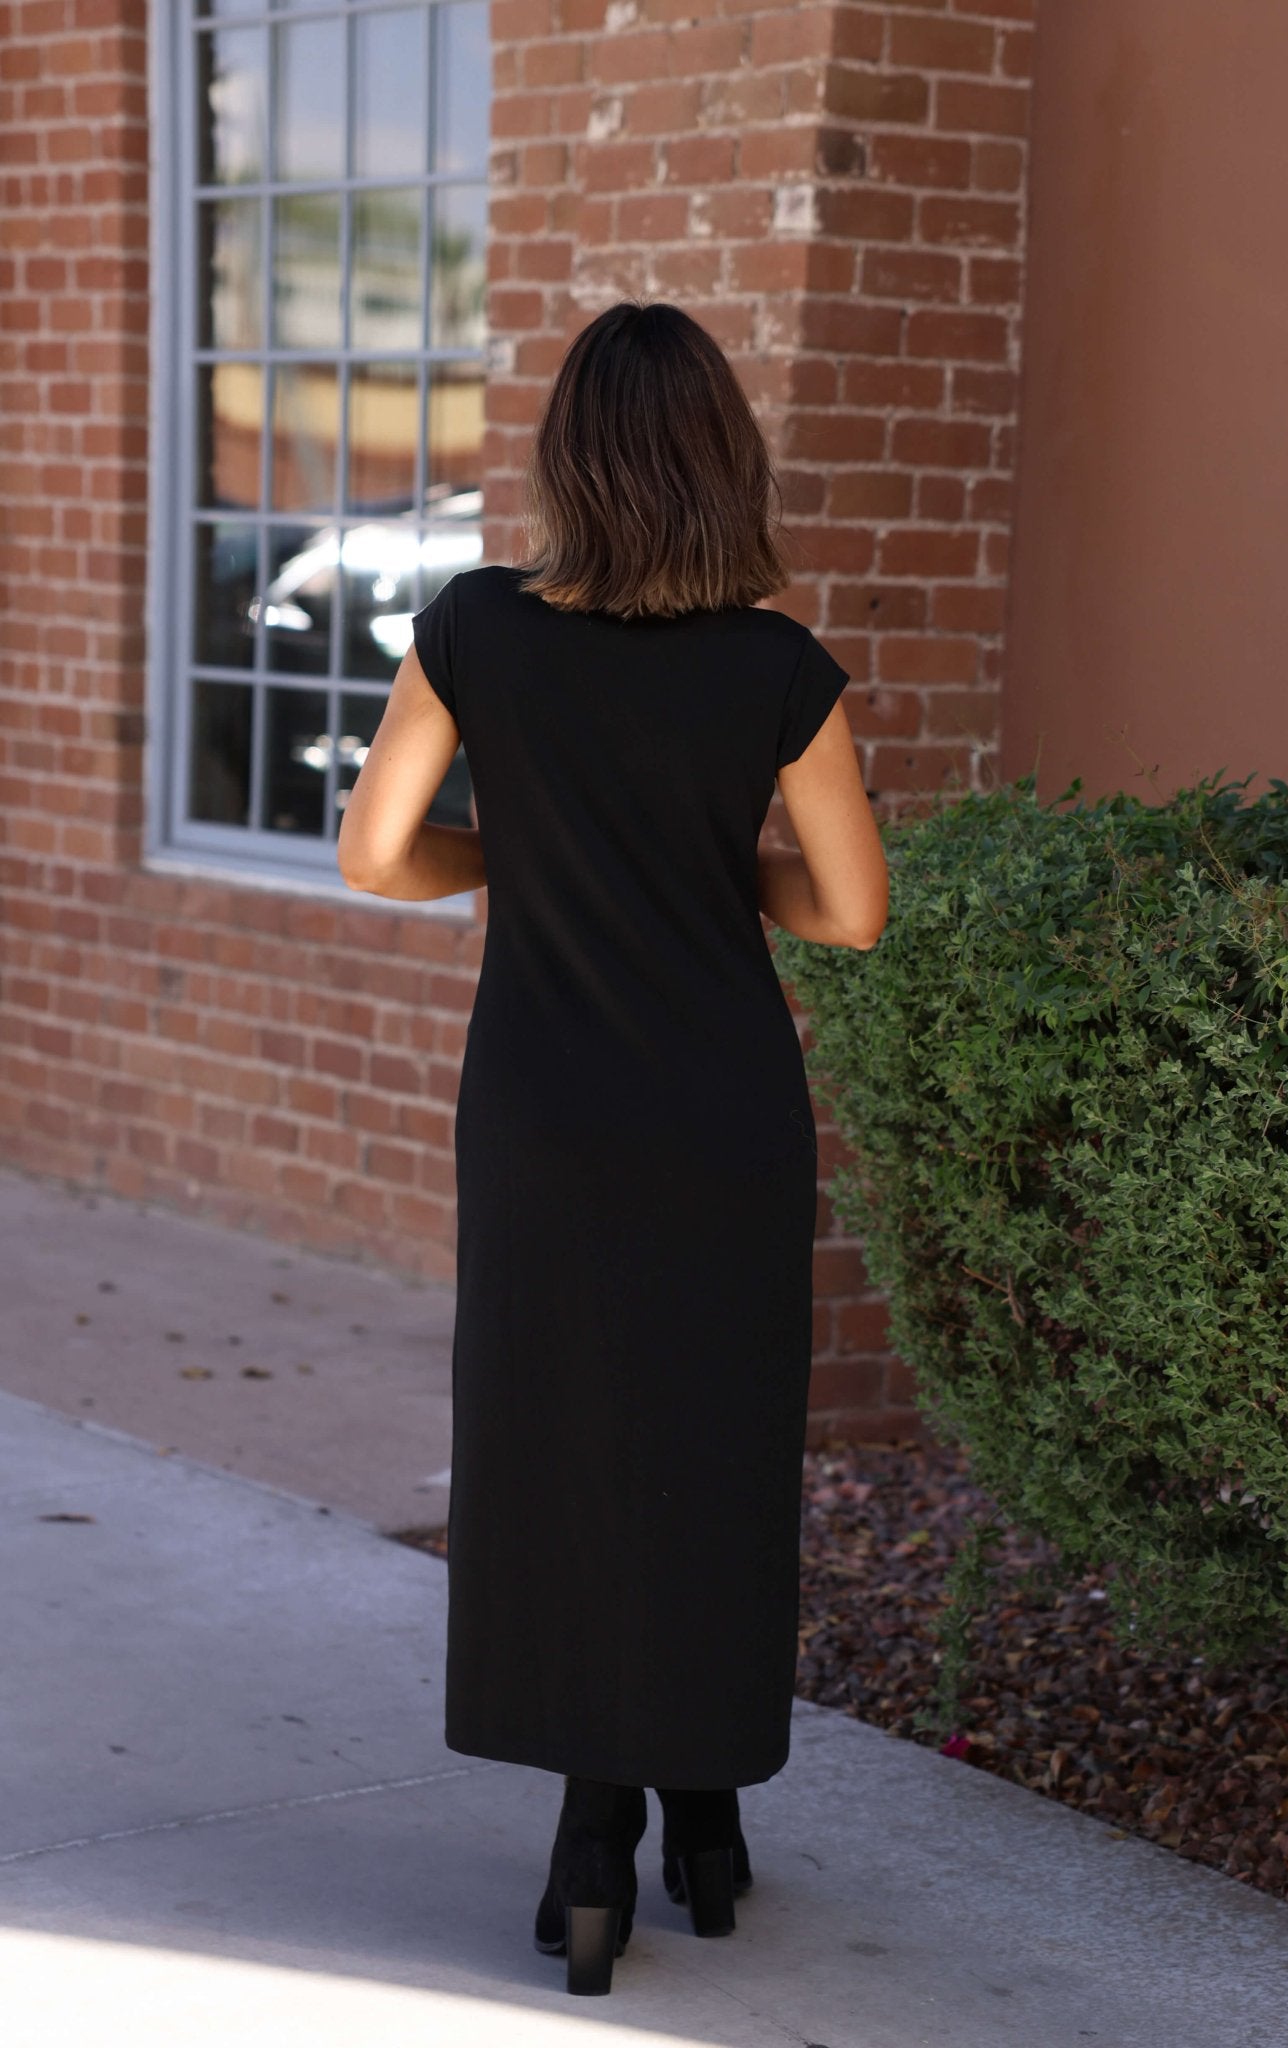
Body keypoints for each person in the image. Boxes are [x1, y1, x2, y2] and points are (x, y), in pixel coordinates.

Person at [337, 298, 888, 1996]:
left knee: (557, 1442)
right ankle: (705, 1829)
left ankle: (591, 1845)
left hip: (544, 1117)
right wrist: (705, 876)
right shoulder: (773, 664)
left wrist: (522, 856)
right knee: (708, 1450)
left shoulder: (478, 632)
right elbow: (853, 914)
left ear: (567, 450)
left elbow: (374, 855)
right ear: (725, 453)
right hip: (721, 1117)